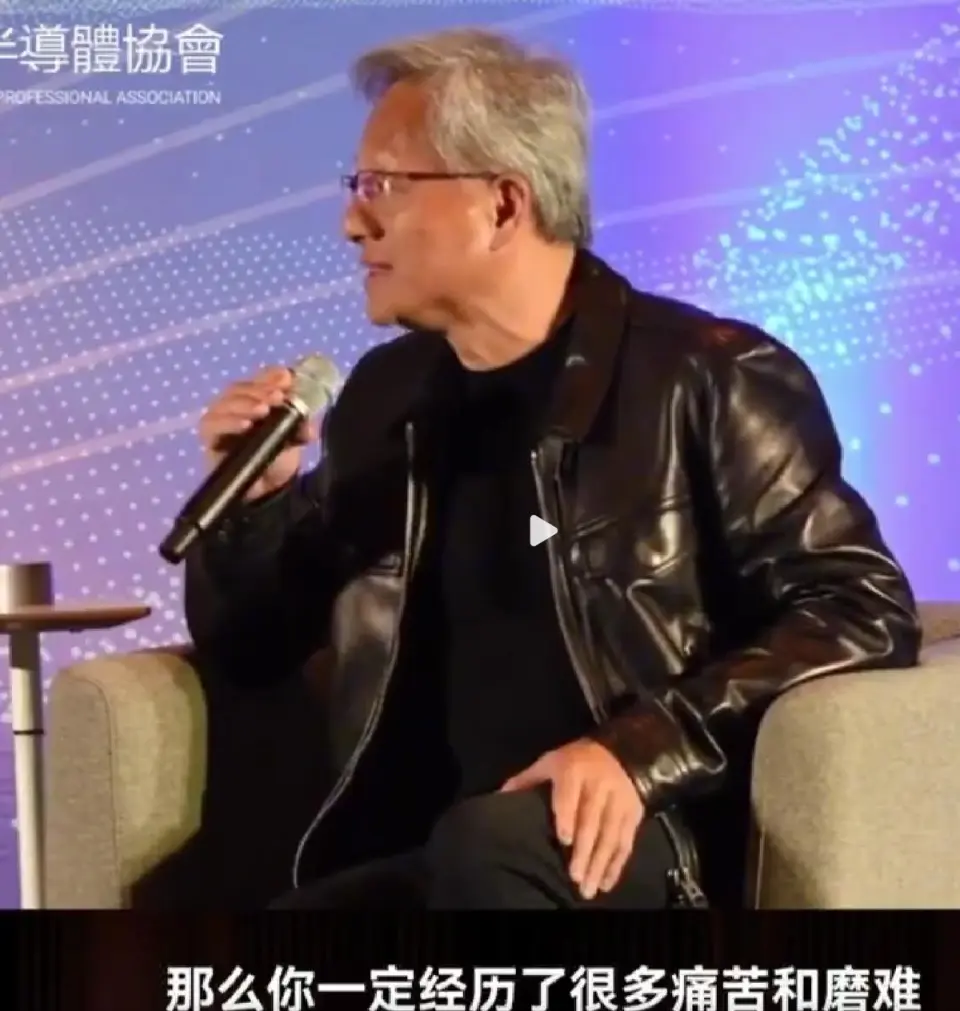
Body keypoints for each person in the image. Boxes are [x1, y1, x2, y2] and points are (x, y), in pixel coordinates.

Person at [184, 28, 920, 910]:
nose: (353, 222)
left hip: (648, 838)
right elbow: (253, 650)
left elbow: (860, 609)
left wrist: (639, 749)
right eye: (356, 188)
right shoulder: (389, 397)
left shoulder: (708, 376)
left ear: (503, 203)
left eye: (383, 186)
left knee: (489, 847)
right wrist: (257, 501)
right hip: (446, 846)